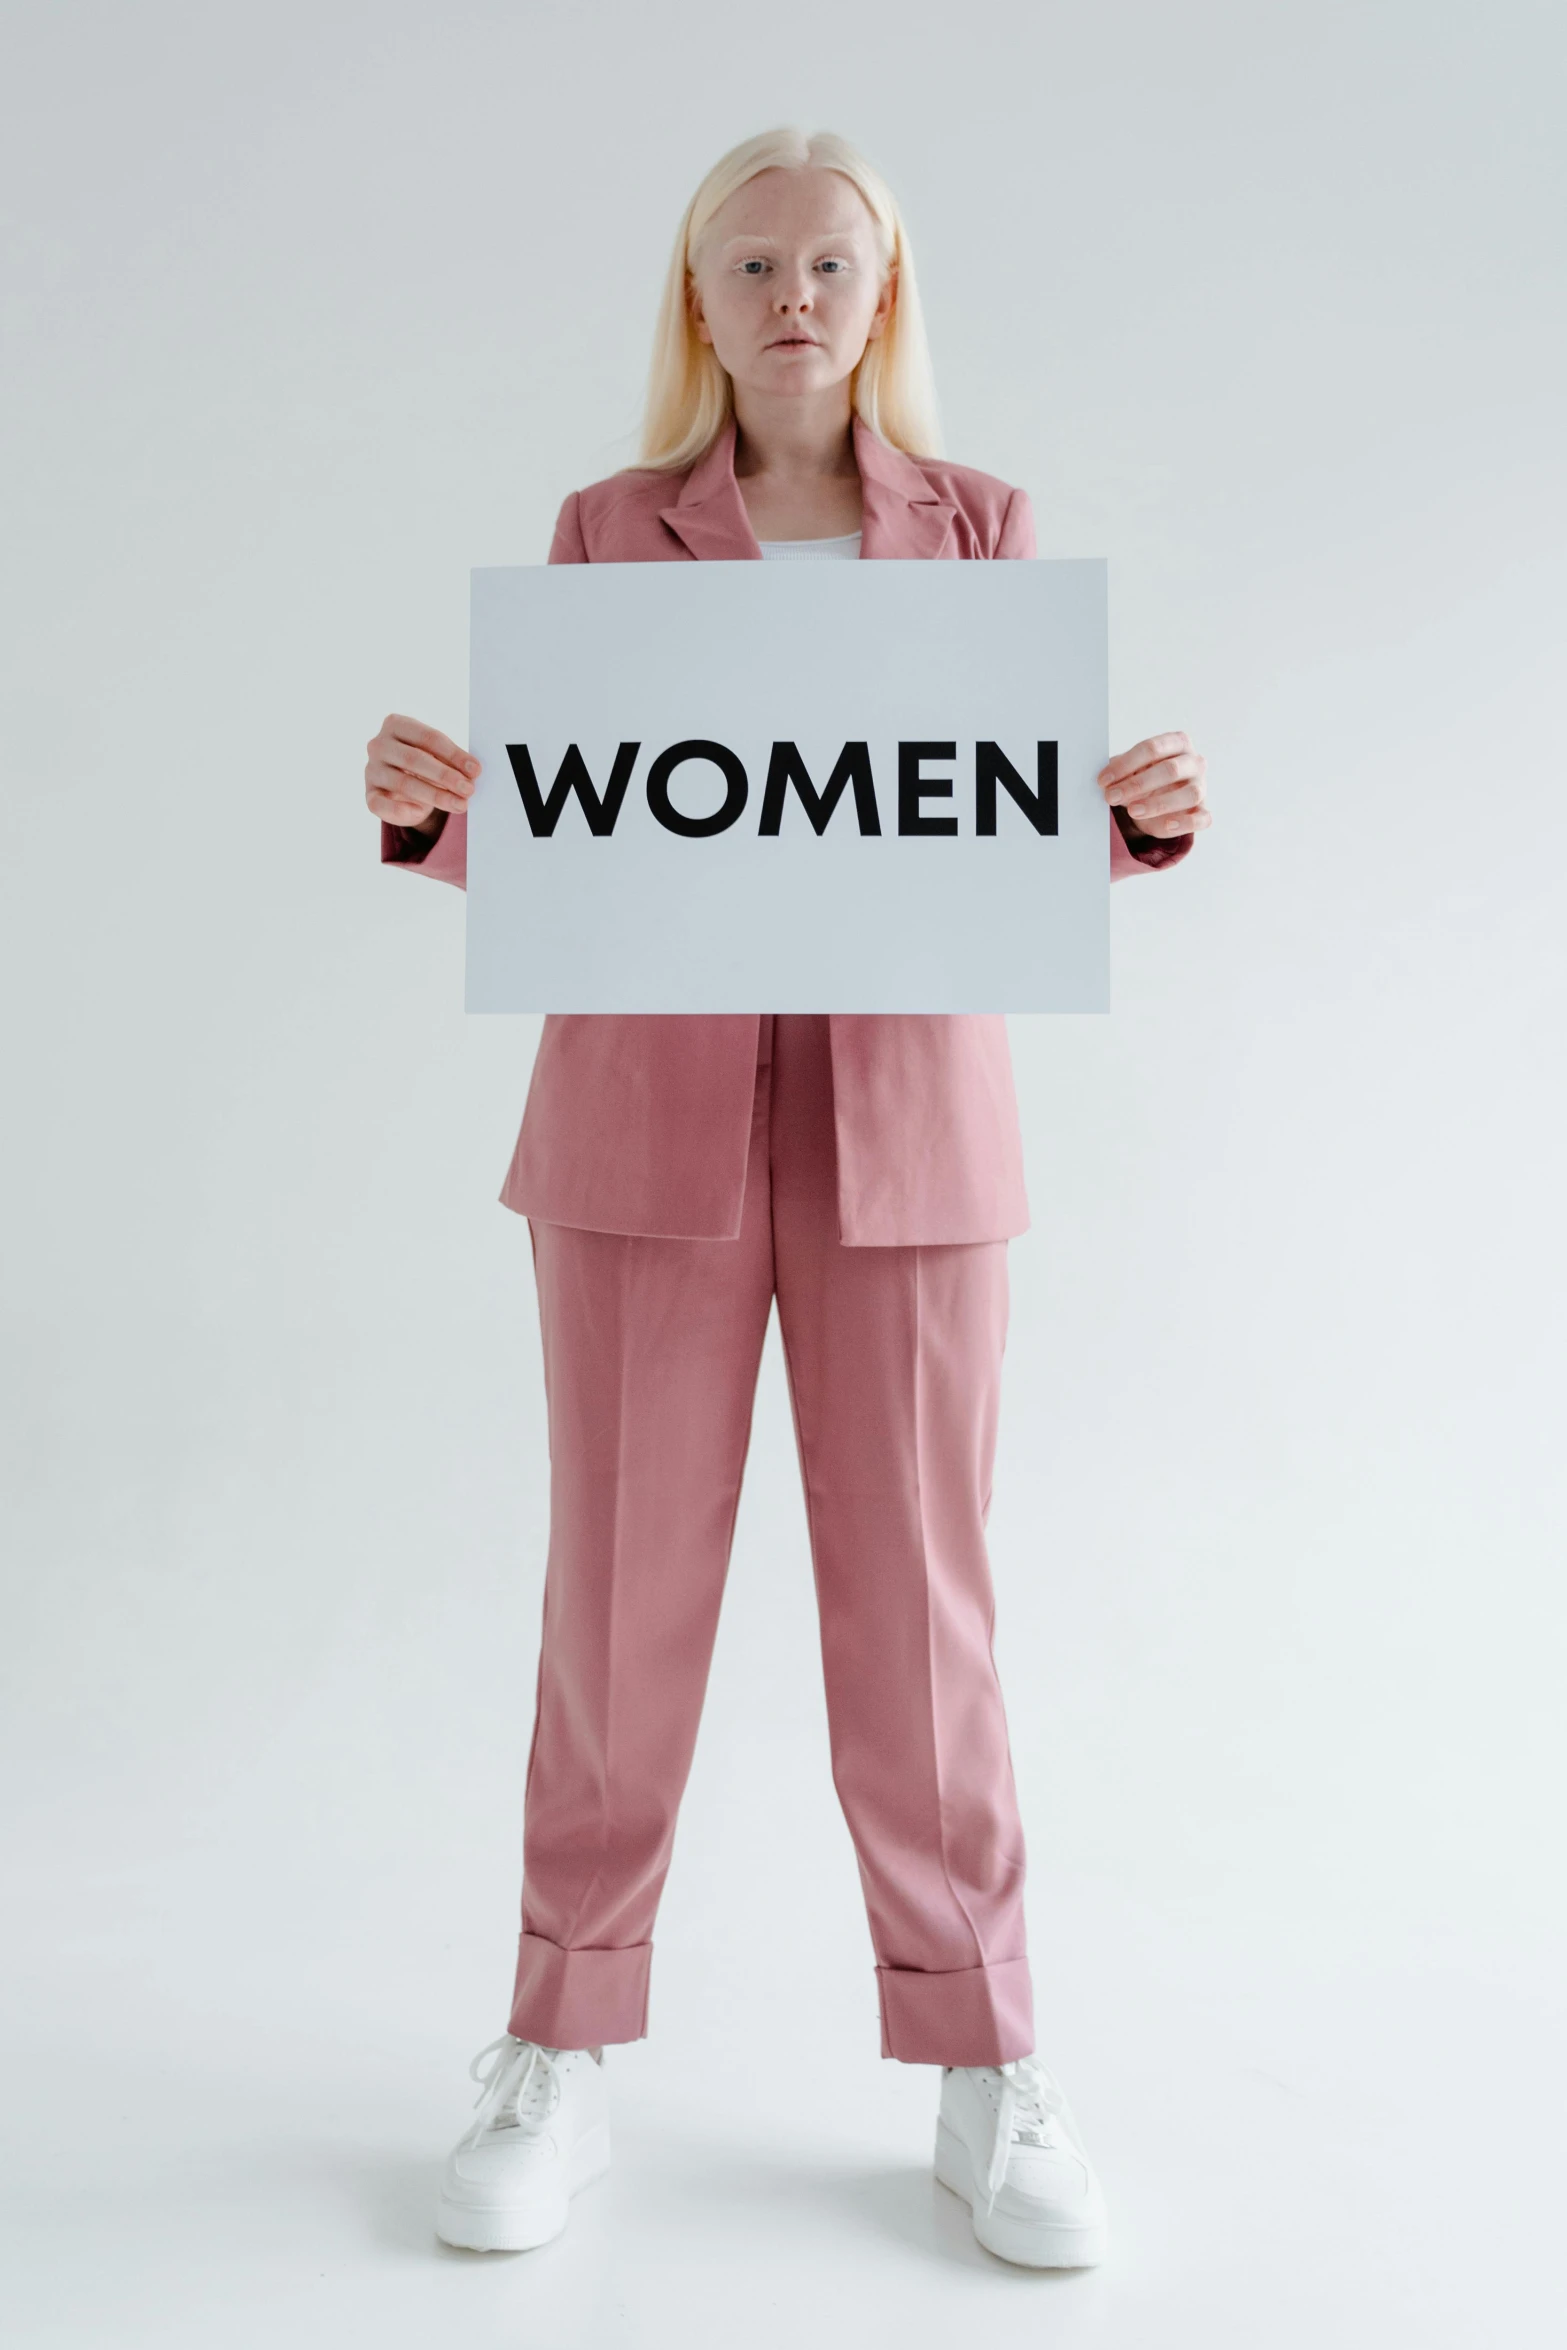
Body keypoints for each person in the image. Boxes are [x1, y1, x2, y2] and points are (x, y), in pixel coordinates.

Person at [364, 126, 1211, 2271]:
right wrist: (443, 822)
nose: (793, 296)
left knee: (922, 1609)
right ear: (701, 299)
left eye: (829, 260)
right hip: (645, 1136)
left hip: (912, 1133)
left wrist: (1128, 827)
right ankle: (559, 2035)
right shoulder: (603, 534)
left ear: (885, 288)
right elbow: (598, 844)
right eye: (751, 264)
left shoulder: (986, 533)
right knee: (620, 1597)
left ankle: (983, 2053)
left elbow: (987, 843)